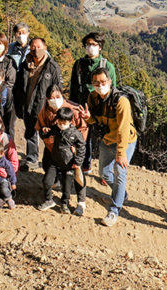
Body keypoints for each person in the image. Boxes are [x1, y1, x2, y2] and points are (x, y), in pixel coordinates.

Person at [87, 68, 138, 227]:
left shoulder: (121, 101)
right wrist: (87, 118)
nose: (100, 85)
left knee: (119, 170)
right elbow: (94, 120)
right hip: (107, 139)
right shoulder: (93, 98)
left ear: (110, 82)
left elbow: (123, 129)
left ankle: (114, 210)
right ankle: (121, 194)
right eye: (96, 82)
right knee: (104, 172)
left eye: (103, 82)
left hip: (126, 140)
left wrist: (121, 154)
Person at [36, 84, 90, 215]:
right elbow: (40, 127)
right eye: (51, 97)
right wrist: (47, 136)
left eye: (57, 96)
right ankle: (52, 190)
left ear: (62, 95)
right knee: (47, 167)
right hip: (53, 148)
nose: (54, 99)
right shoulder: (45, 110)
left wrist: (75, 148)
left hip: (72, 151)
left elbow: (83, 130)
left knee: (77, 175)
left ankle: (81, 202)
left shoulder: (74, 109)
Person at [69, 32, 117, 172]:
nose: (90, 47)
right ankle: (85, 163)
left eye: (94, 44)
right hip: (82, 107)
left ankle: (107, 170)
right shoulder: (78, 65)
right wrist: (72, 106)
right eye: (88, 44)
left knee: (105, 139)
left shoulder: (108, 66)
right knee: (83, 137)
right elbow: (73, 86)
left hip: (102, 109)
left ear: (100, 47)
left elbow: (113, 90)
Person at [14, 37, 61, 171]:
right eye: (33, 47)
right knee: (30, 133)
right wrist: (19, 105)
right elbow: (18, 86)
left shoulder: (52, 67)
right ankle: (32, 159)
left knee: (48, 135)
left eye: (39, 47)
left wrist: (54, 108)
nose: (36, 50)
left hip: (45, 108)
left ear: (45, 48)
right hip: (28, 104)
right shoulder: (25, 65)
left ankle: (52, 163)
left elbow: (58, 89)